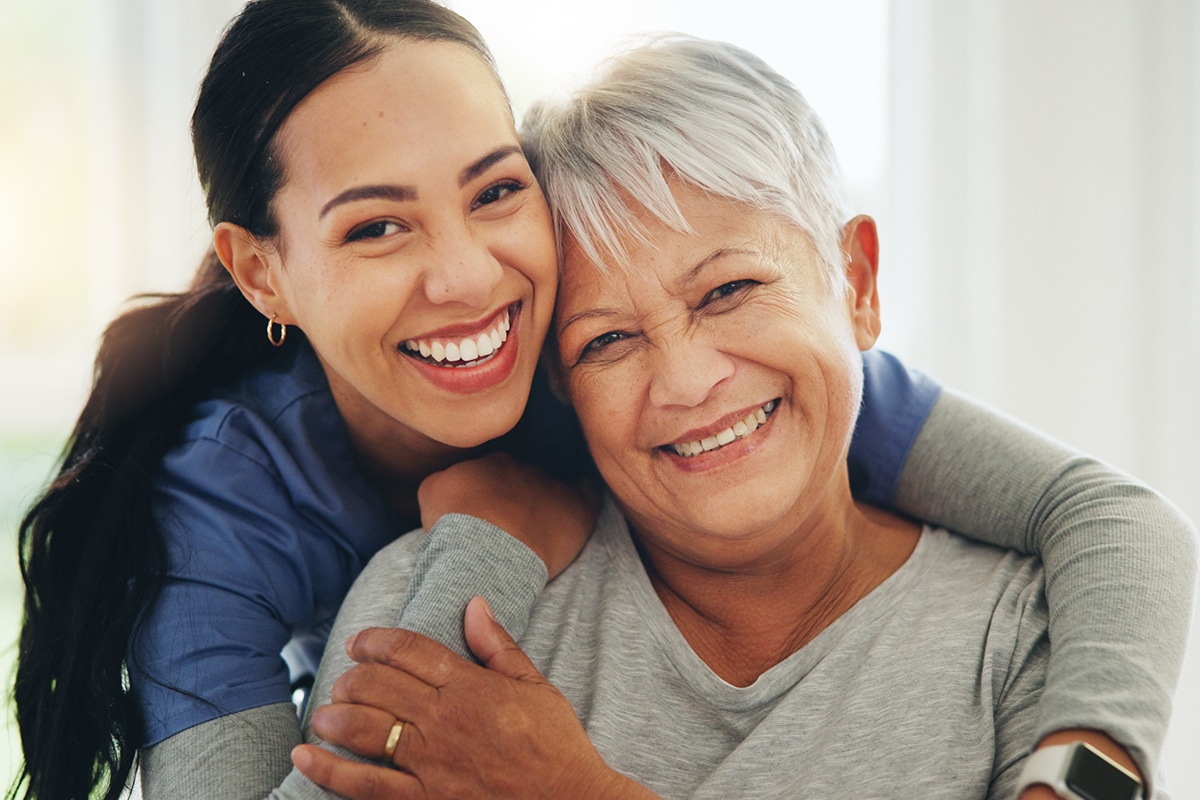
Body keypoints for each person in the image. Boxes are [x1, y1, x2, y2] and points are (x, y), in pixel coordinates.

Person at [10, 2, 1191, 798]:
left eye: (494, 191)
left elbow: (1109, 514)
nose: (470, 275)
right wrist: (485, 545)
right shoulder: (225, 516)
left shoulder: (712, 391)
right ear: (263, 268)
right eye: (377, 225)